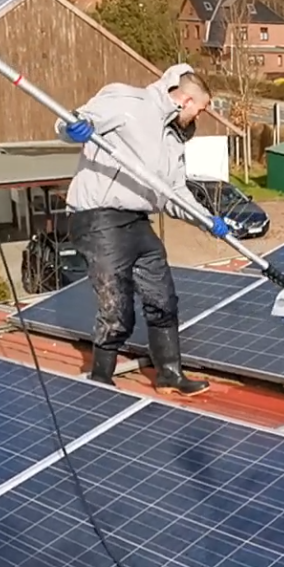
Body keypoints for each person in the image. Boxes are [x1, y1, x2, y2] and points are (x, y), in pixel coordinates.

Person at [55, 63, 230, 396]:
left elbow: (173, 193)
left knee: (162, 297)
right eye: (200, 111)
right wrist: (72, 128)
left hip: (136, 221)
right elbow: (69, 121)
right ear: (187, 101)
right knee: (118, 309)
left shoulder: (172, 142)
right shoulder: (128, 102)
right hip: (99, 218)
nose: (198, 119)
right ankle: (101, 379)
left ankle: (169, 374)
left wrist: (207, 219)